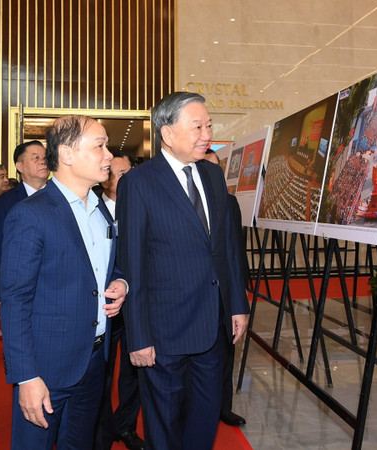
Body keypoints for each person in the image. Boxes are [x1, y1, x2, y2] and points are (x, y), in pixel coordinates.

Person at [116, 92, 249, 449]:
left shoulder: (213, 174)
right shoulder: (139, 182)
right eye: (198, 127)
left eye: (209, 126)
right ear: (167, 132)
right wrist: (138, 336)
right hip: (164, 333)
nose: (207, 135)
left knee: (204, 419)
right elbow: (132, 263)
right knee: (164, 425)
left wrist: (237, 304)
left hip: (213, 327)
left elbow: (227, 247)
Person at [1, 115, 127, 449]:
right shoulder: (31, 213)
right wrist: (26, 376)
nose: (109, 155)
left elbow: (104, 268)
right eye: (99, 146)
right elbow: (15, 301)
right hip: (46, 367)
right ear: (67, 154)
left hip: (93, 361)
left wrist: (121, 283)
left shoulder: (99, 209)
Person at [94, 152, 145, 450]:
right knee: (101, 372)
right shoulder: (92, 208)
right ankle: (100, 430)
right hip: (105, 306)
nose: (129, 178)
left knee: (133, 371)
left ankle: (126, 425)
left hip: (137, 303)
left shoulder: (141, 205)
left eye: (130, 171)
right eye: (121, 174)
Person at [203, 149, 249, 428]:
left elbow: (236, 248)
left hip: (226, 290)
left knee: (228, 349)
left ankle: (224, 407)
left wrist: (240, 290)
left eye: (216, 168)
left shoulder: (229, 202)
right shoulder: (188, 201)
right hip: (199, 292)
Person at [0, 141, 49, 328]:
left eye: (45, 157)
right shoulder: (5, 204)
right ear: (20, 166)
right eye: (35, 158)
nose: (43, 162)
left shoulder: (63, 199)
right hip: (20, 291)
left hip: (57, 289)